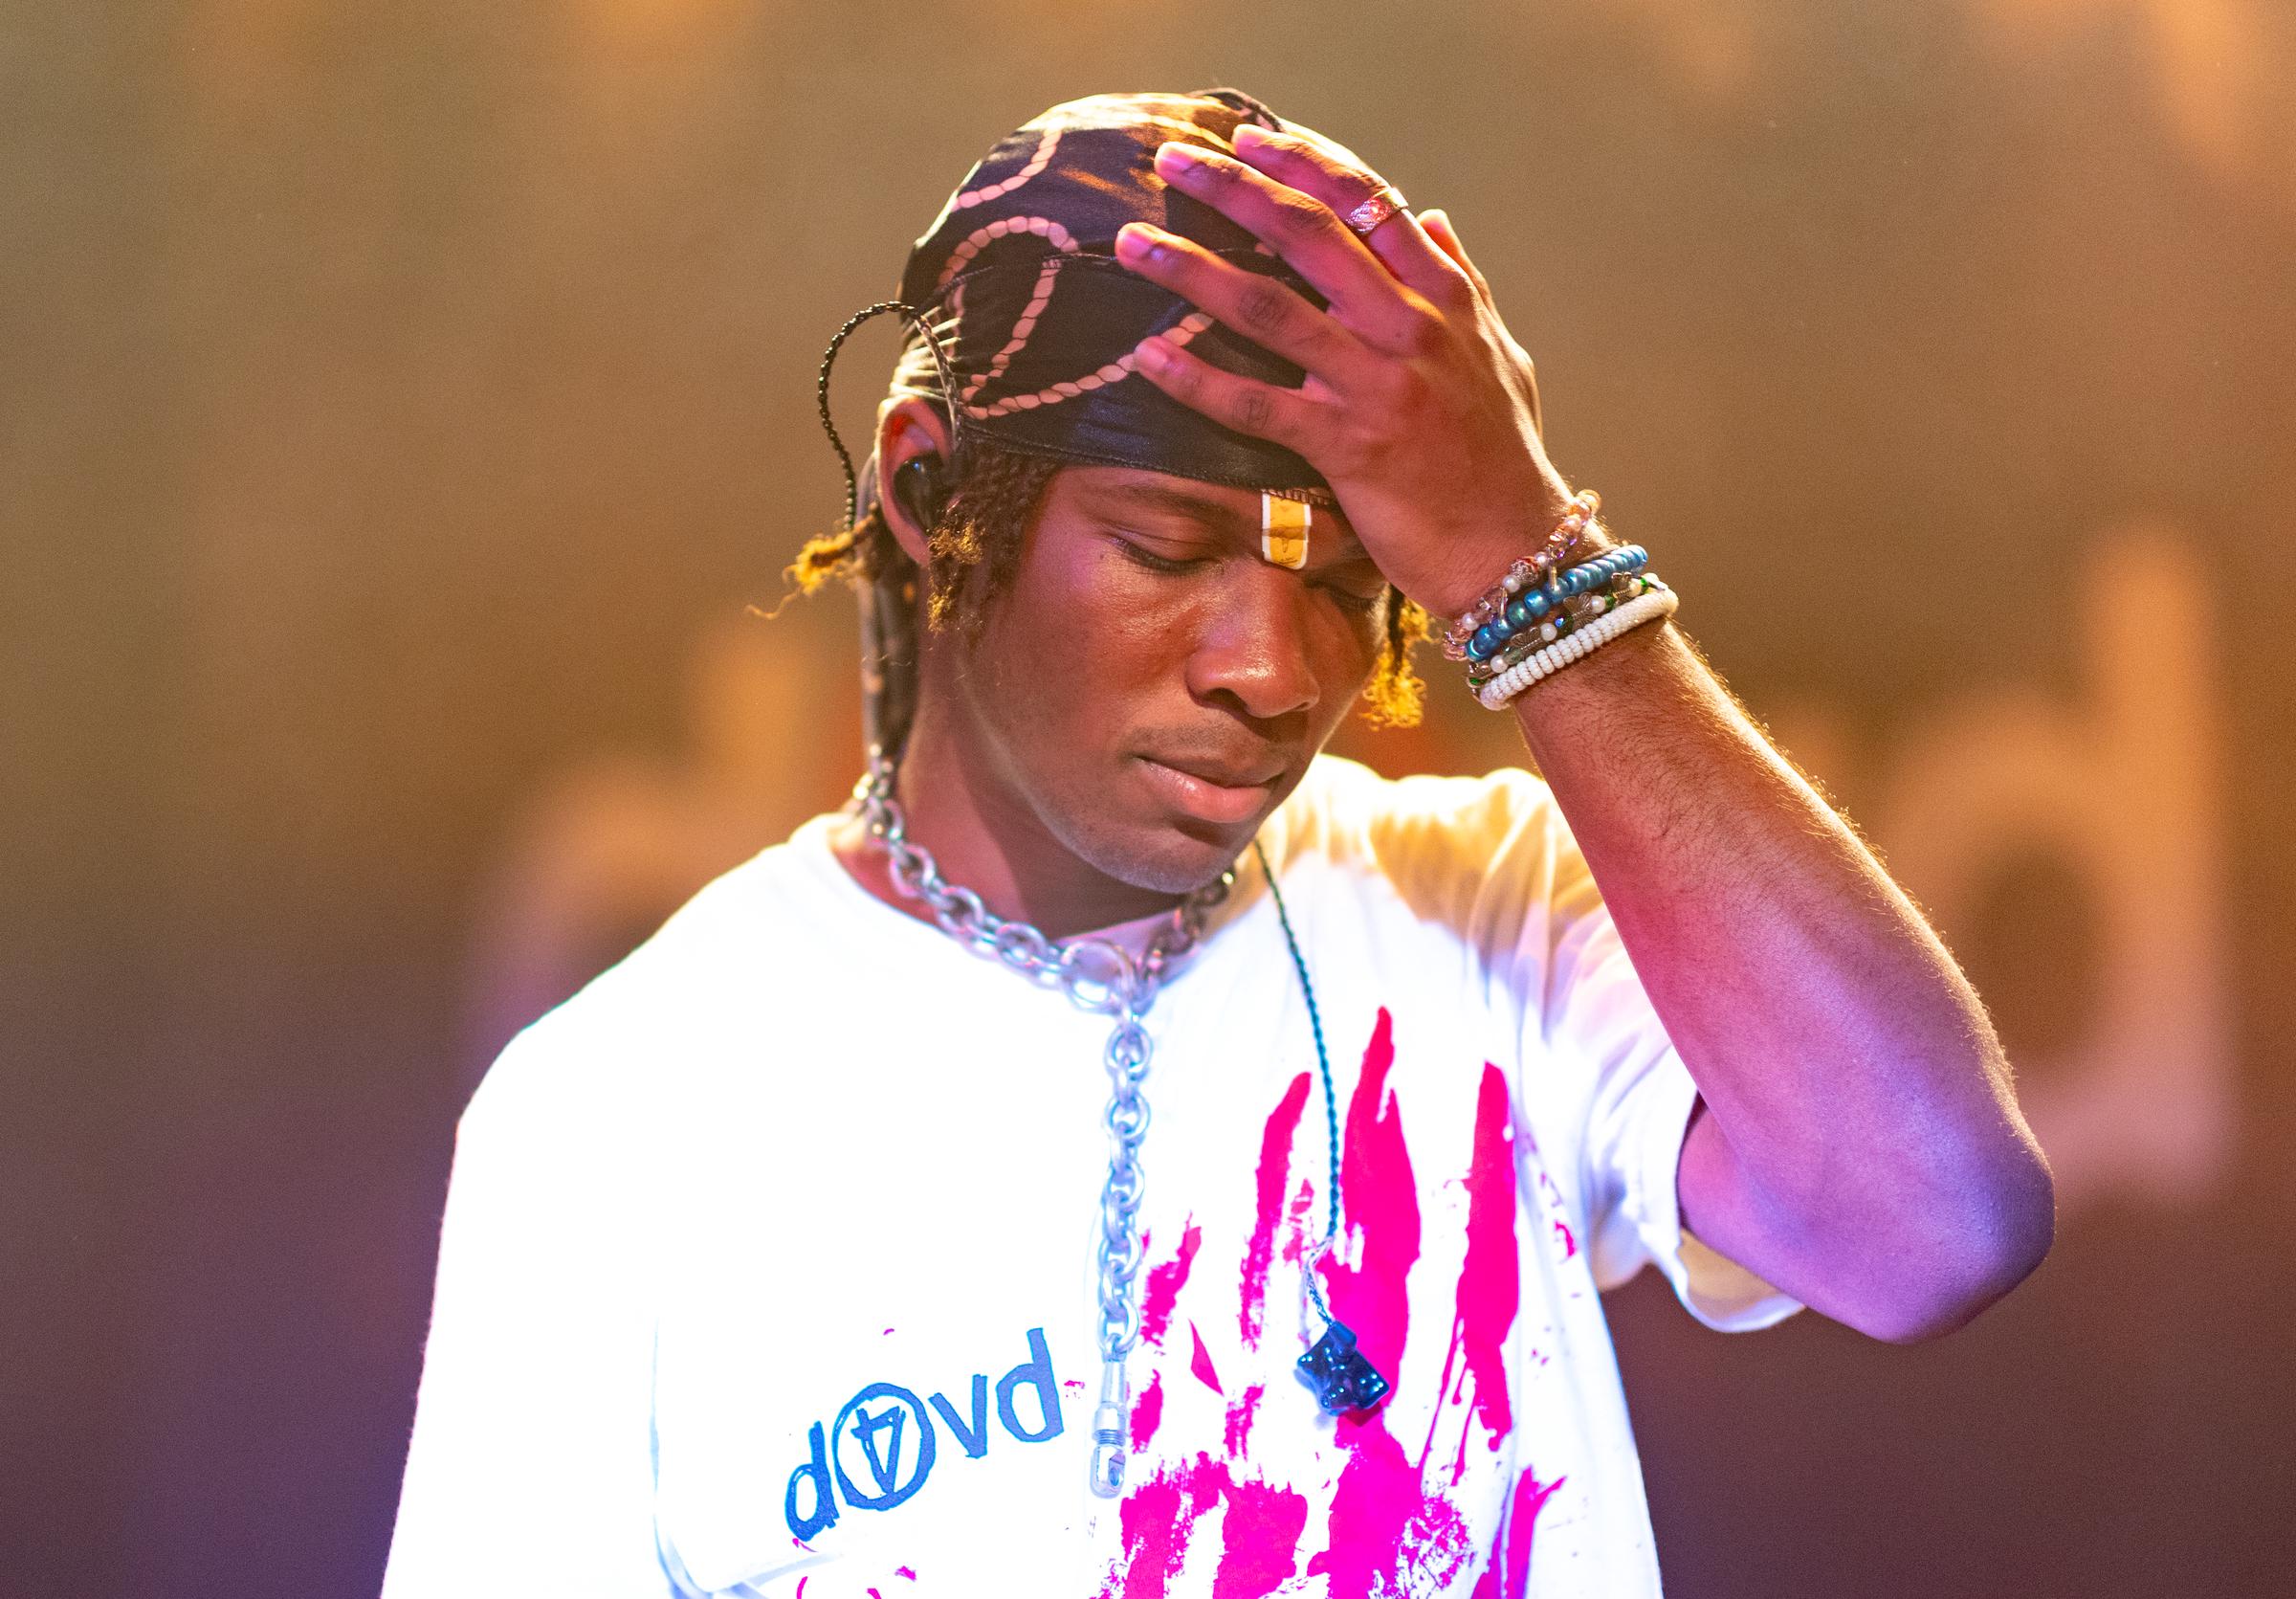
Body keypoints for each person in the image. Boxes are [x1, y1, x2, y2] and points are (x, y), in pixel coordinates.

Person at [381, 89, 2053, 1598]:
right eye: (1168, 544)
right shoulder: (611, 1115)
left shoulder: (1487, 913)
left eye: (1348, 579)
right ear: (927, 490)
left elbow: (1936, 1225)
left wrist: (1522, 556)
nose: (1274, 667)